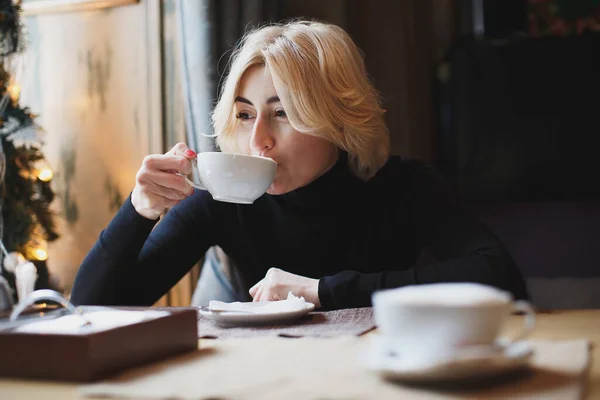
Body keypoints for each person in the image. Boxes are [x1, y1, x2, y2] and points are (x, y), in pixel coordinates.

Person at [70, 20, 528, 309]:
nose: (257, 139)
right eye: (245, 114)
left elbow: (501, 280)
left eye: (283, 112)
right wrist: (140, 209)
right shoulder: (227, 201)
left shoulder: (404, 186)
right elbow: (92, 306)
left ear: (337, 119)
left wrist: (323, 291)